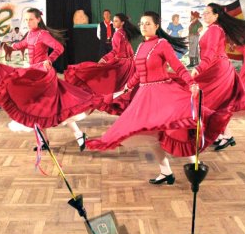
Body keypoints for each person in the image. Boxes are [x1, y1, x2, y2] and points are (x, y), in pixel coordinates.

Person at [86, 11, 214, 186]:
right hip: (145, 96)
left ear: (156, 26)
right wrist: (127, 87)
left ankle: (195, 166)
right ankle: (166, 172)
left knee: (178, 129)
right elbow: (138, 73)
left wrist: (191, 83)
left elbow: (178, 67)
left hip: (163, 93)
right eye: (142, 23)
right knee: (150, 135)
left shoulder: (162, 44)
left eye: (148, 23)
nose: (144, 26)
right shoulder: (140, 47)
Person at [162, 3, 245, 153]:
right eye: (204, 12)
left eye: (208, 13)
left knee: (204, 101)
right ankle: (225, 135)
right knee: (217, 105)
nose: (204, 15)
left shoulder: (215, 29)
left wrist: (199, 68)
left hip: (217, 71)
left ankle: (216, 135)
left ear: (216, 15)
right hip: (216, 69)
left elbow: (211, 53)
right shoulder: (214, 28)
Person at [0, 8, 98, 149]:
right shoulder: (30, 34)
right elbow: (20, 45)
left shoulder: (43, 34)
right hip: (33, 74)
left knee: (55, 108)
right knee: (37, 109)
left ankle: (76, 135)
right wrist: (6, 45)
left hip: (44, 75)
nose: (28, 22)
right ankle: (45, 141)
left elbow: (59, 48)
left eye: (31, 19)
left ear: (38, 19)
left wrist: (49, 60)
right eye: (26, 20)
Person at [64, 13, 139, 115]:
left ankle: (117, 106)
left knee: (104, 82)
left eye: (116, 21)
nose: (113, 23)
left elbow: (116, 51)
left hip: (122, 65)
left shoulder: (117, 34)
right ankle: (129, 109)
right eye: (113, 21)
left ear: (122, 23)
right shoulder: (124, 33)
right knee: (124, 88)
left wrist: (105, 59)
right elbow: (128, 50)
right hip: (130, 64)